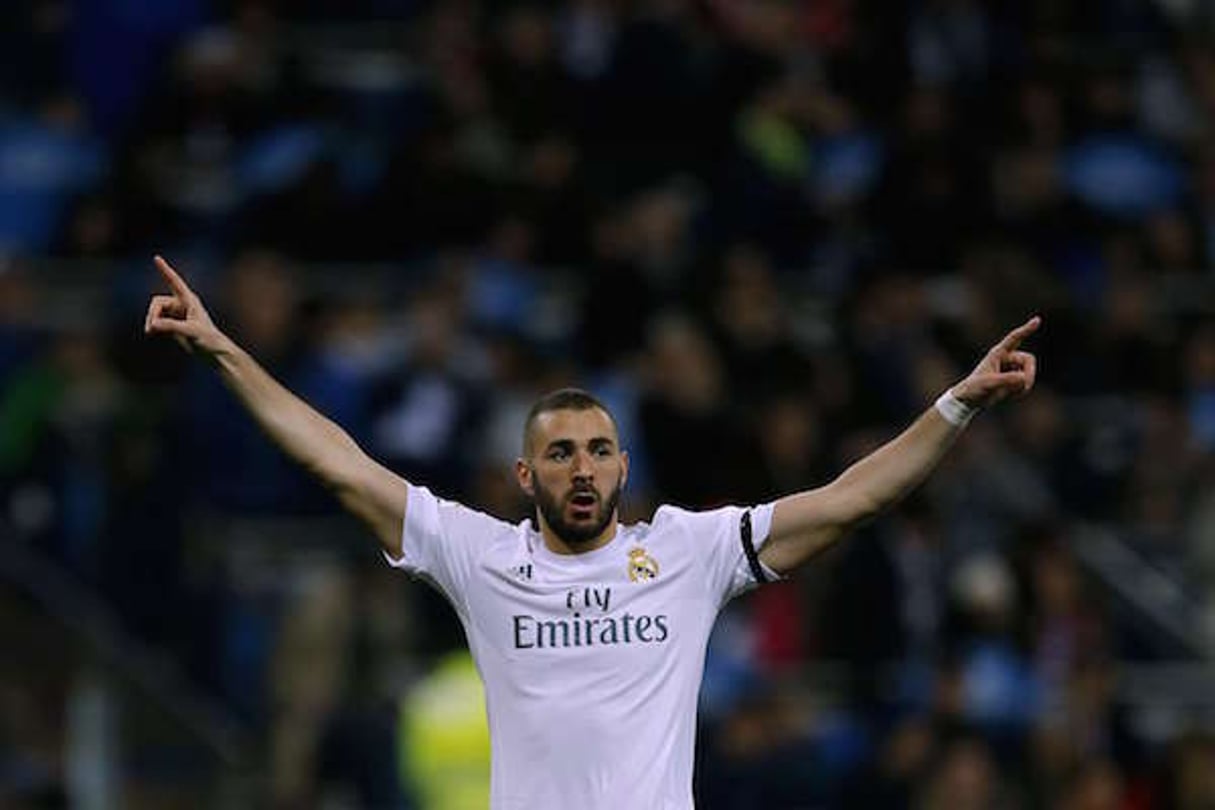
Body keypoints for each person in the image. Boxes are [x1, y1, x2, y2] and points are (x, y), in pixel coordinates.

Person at [144, 255, 1040, 809]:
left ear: (622, 468)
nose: (584, 467)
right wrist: (224, 350)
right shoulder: (480, 556)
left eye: (600, 451)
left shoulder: (686, 552)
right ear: (525, 477)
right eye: (563, 453)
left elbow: (850, 499)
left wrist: (956, 403)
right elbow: (337, 461)